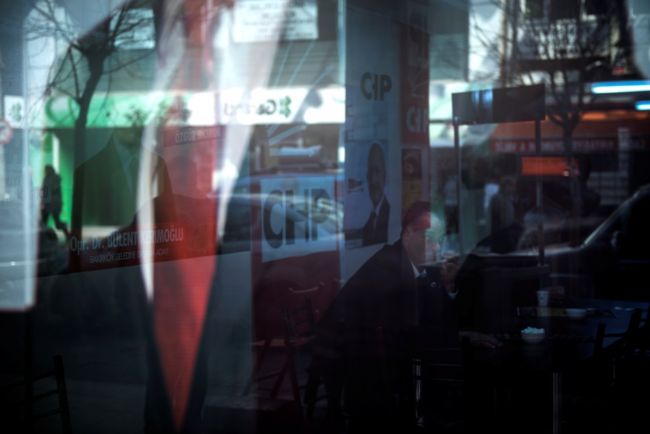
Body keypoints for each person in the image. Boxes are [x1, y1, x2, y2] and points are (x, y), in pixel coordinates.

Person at [314, 201, 499, 432]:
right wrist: (456, 336)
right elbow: (404, 331)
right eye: (430, 237)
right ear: (408, 233)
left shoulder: (422, 265)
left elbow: (433, 318)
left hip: (388, 355)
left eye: (441, 239)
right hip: (355, 362)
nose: (437, 246)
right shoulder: (387, 267)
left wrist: (449, 286)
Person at [362, 142, 390, 245]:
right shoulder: (366, 226)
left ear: (385, 176)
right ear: (367, 176)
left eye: (377, 171)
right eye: (370, 172)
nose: (373, 179)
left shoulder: (391, 216)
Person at [41, 165, 70, 238]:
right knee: (57, 222)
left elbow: (46, 192)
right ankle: (67, 234)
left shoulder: (47, 179)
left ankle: (46, 238)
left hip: (49, 204)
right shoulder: (57, 178)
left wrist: (43, 203)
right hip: (56, 204)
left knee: (44, 222)